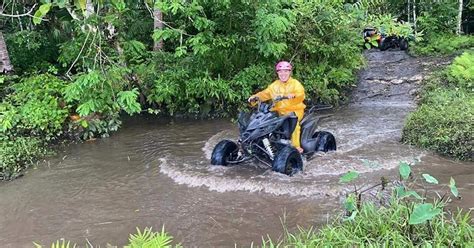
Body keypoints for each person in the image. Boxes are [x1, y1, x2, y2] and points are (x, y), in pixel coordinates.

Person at [248, 61, 306, 153]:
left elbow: (301, 94)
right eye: (281, 71)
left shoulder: (295, 84)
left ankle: (296, 147)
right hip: (277, 111)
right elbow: (265, 94)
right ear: (277, 73)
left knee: (293, 123)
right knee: (263, 121)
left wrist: (294, 95)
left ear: (290, 72)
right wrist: (256, 98)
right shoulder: (274, 85)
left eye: (286, 71)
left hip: (294, 110)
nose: (283, 74)